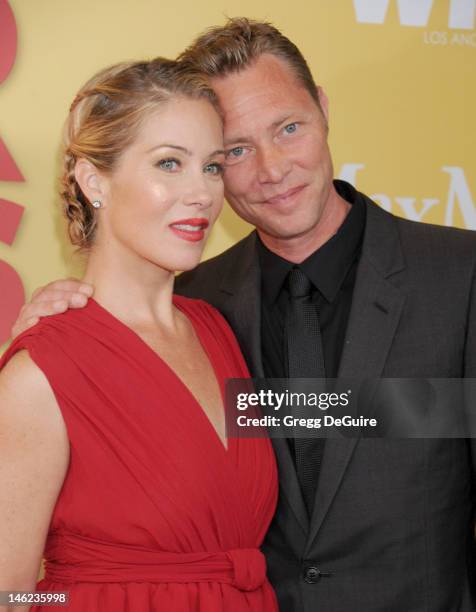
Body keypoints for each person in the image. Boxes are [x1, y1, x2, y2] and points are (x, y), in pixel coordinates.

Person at [10, 17, 476, 612]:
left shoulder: (459, 275)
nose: (272, 167)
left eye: (288, 127)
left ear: (324, 110)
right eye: (232, 151)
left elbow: (357, 416)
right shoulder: (203, 301)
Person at [0, 58, 279, 612]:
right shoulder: (42, 373)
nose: (201, 193)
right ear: (94, 179)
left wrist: (448, 406)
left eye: (212, 167)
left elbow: (339, 414)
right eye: (169, 163)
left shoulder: (218, 328)